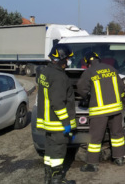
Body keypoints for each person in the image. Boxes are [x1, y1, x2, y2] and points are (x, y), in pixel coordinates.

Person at [77, 51, 125, 172]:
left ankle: (92, 164)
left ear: (88, 62)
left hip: (99, 111)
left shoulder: (89, 72)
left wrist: (86, 97)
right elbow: (121, 87)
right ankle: (119, 158)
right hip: (116, 109)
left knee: (95, 138)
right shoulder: (111, 69)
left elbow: (81, 88)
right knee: (117, 135)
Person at [36, 44, 77, 184]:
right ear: (62, 58)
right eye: (68, 59)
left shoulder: (45, 72)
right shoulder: (60, 77)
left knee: (49, 151)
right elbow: (58, 102)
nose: (69, 62)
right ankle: (57, 179)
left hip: (48, 122)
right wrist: (66, 122)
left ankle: (48, 178)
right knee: (59, 152)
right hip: (57, 123)